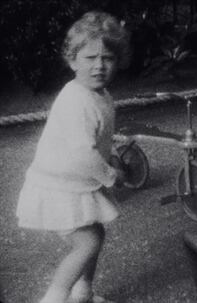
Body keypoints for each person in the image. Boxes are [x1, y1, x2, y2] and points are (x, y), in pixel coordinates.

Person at [16, 11, 131, 303]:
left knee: (95, 237)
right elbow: (83, 153)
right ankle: (53, 298)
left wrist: (114, 156)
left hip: (75, 183)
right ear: (72, 61)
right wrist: (110, 175)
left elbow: (103, 138)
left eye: (108, 58)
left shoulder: (101, 96)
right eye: (90, 58)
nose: (99, 66)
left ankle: (82, 293)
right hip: (57, 186)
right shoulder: (75, 100)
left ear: (118, 61)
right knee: (87, 243)